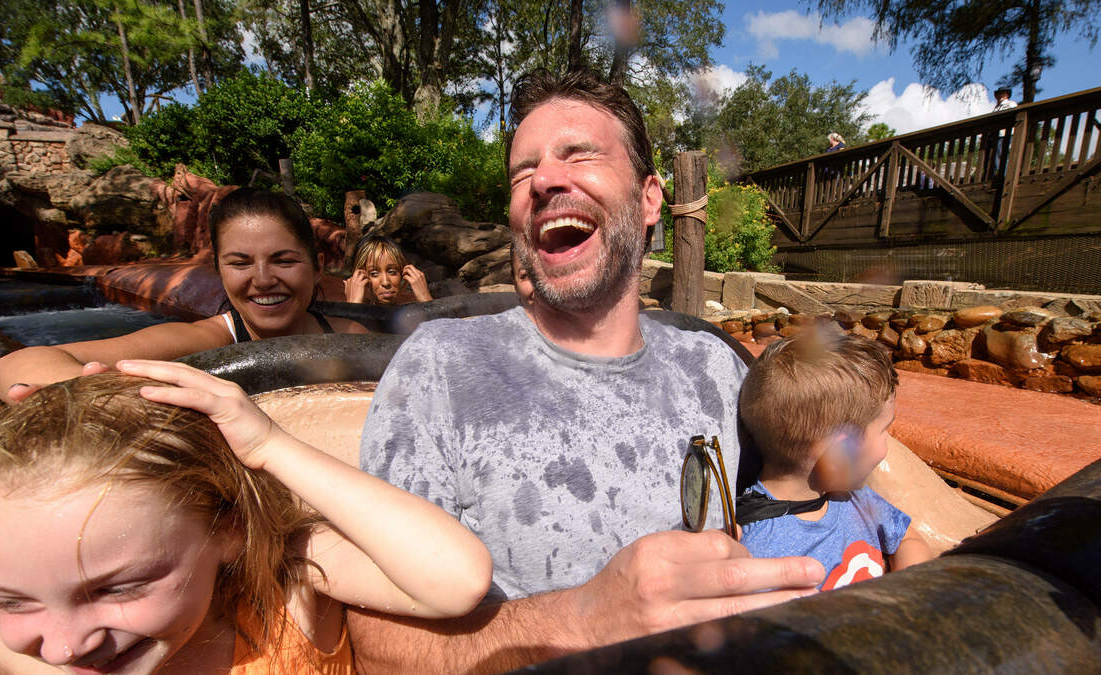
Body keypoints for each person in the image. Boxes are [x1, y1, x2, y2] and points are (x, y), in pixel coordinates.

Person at [346, 68, 824, 674]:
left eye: (579, 155)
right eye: (523, 173)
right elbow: (379, 646)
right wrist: (582, 621)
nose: (544, 180)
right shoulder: (441, 367)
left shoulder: (713, 368)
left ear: (649, 199)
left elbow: (822, 496)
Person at [0, 366, 491, 673]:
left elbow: (453, 579)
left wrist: (268, 445)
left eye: (117, 588)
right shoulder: (19, 658)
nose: (63, 647)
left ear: (227, 528)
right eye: (9, 600)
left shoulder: (282, 586)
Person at [0, 188, 367, 404]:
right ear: (219, 270)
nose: (263, 280)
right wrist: (90, 395)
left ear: (318, 267)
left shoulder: (349, 335)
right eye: (240, 263)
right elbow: (10, 366)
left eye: (284, 260)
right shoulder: (206, 339)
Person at [736, 332, 934, 590]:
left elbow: (908, 541)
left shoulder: (855, 498)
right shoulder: (758, 550)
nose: (889, 441)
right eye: (884, 430)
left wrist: (905, 593)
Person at [342, 235, 432, 305]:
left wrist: (425, 298)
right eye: (374, 274)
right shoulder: (339, 317)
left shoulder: (411, 313)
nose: (385, 283)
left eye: (392, 272)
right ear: (357, 278)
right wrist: (353, 304)